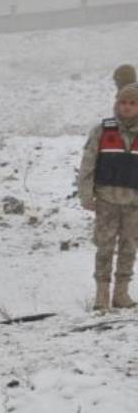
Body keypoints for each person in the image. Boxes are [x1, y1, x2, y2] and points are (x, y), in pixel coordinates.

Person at [77, 65, 138, 310]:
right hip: (106, 200)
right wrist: (85, 195)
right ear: (116, 103)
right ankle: (102, 296)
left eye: (133, 103)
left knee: (129, 247)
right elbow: (88, 165)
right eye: (123, 102)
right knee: (104, 248)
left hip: (134, 203)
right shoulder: (102, 130)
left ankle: (121, 294)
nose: (127, 107)